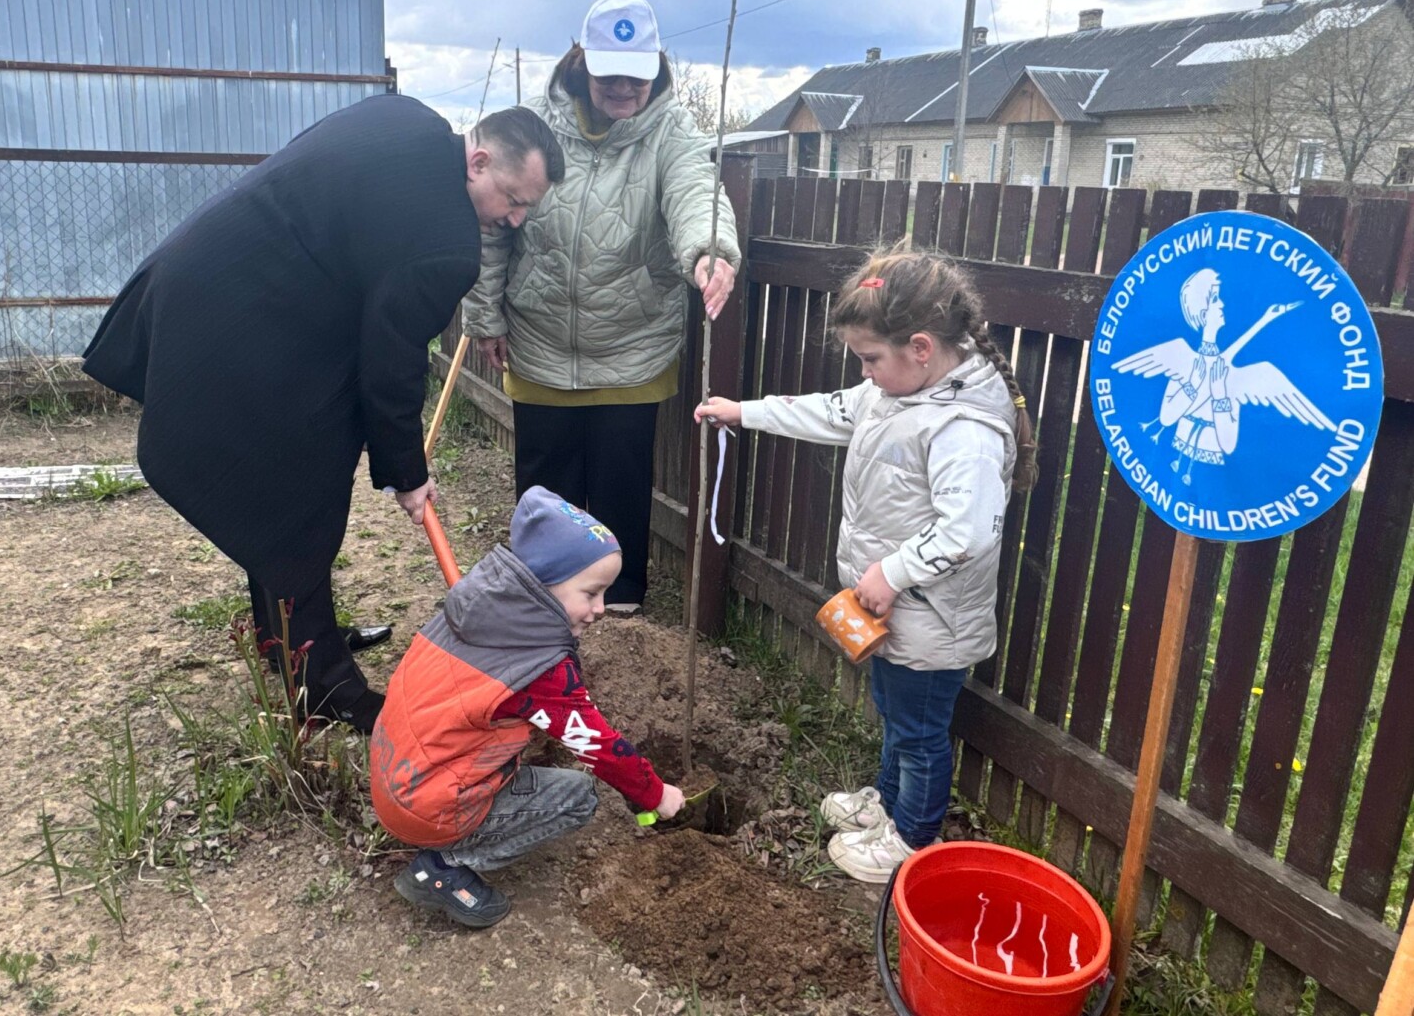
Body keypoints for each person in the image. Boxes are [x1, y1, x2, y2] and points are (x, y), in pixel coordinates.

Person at [82, 97, 564, 734]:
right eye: (513, 199)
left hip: (207, 288)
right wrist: (408, 473)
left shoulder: (407, 121)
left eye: (526, 207)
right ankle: (323, 687)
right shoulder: (446, 246)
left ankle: (287, 640)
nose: (515, 219)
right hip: (238, 330)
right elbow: (390, 367)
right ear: (478, 162)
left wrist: (393, 462)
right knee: (297, 504)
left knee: (289, 495)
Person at [694, 250, 1038, 883]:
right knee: (895, 714)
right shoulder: (895, 392)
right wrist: (744, 412)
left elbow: (967, 532)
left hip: (934, 621)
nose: (864, 373)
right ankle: (887, 801)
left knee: (920, 731)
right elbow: (831, 410)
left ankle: (911, 840)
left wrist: (893, 574)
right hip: (897, 612)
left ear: (922, 348)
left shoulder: (964, 429)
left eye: (870, 359)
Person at [461, 0, 741, 614]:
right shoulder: (531, 125)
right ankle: (540, 598)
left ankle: (619, 607)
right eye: (609, 73)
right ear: (581, 61)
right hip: (538, 338)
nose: (622, 88)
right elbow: (488, 225)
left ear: (656, 69)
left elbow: (697, 188)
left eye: (635, 76)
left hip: (632, 341)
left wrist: (711, 248)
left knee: (620, 483)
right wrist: (484, 314)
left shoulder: (671, 131)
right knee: (545, 484)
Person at [371, 486, 686, 927]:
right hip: (427, 804)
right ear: (543, 585)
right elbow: (596, 744)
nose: (601, 608)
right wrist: (656, 793)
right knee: (577, 798)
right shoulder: (536, 668)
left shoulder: (479, 611)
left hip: (396, 772)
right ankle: (441, 866)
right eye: (591, 593)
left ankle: (442, 832)